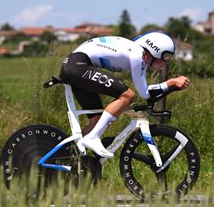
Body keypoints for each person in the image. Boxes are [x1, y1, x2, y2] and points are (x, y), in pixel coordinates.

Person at [59, 31, 190, 158]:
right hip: (77, 66)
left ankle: (67, 156)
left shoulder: (135, 51)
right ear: (155, 49)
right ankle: (92, 138)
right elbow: (144, 93)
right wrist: (171, 83)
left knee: (97, 121)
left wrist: (170, 86)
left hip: (76, 66)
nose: (166, 62)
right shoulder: (137, 54)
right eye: (165, 57)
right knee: (128, 95)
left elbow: (146, 92)